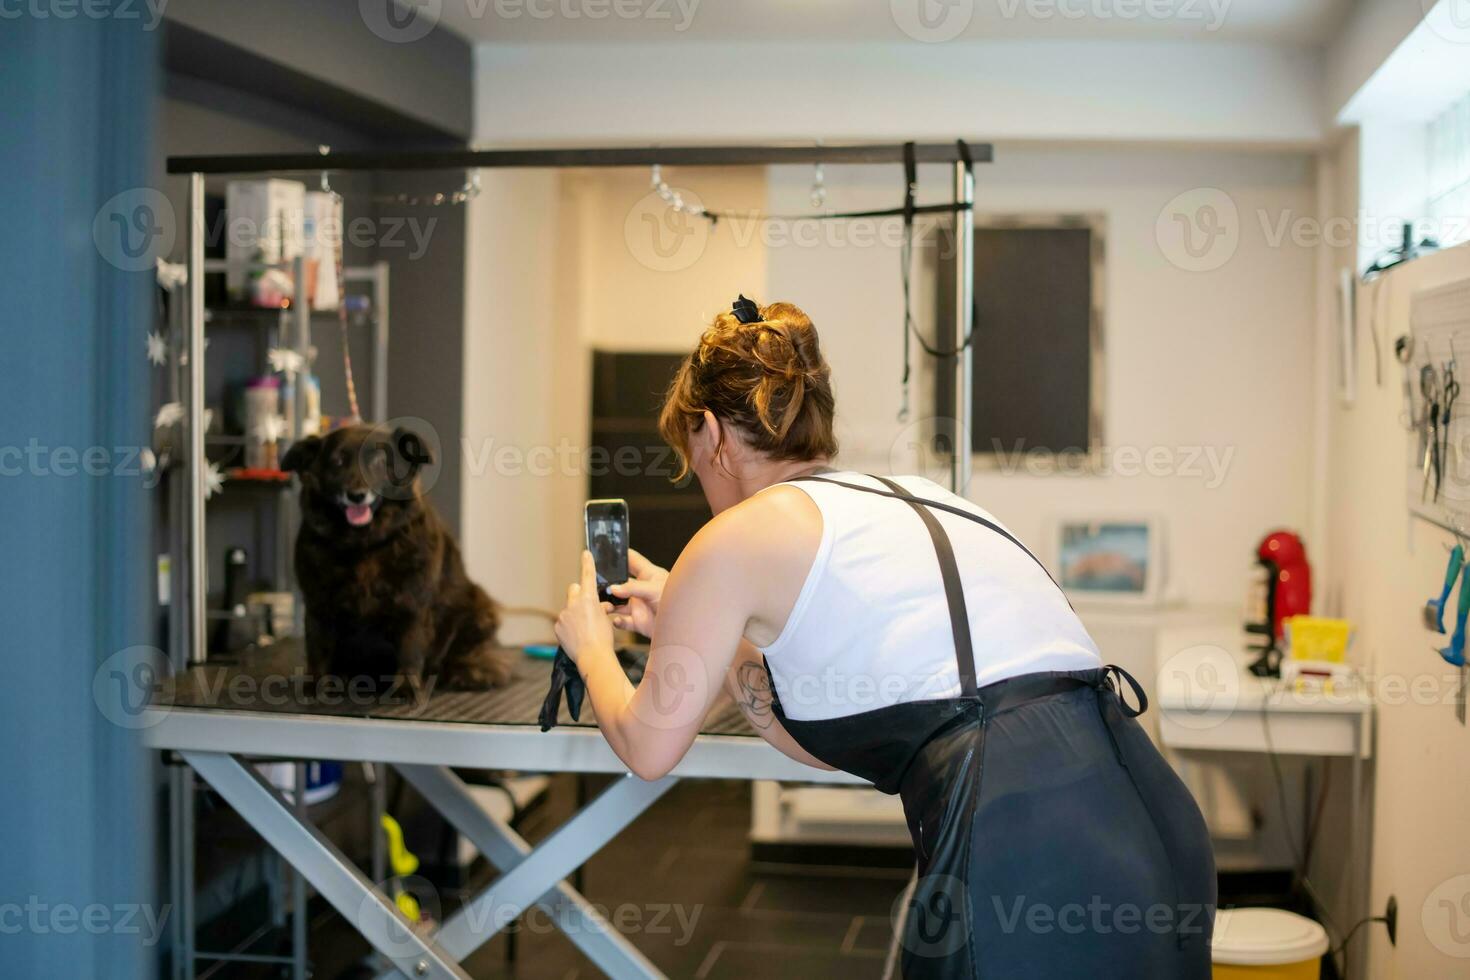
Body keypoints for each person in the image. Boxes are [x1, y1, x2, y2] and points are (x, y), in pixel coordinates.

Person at [554, 298, 1215, 978]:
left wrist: (591, 647)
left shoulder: (731, 537)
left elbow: (648, 745)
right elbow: (825, 734)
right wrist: (700, 634)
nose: (698, 481)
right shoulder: (912, 497)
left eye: (689, 457)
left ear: (714, 434)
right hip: (1148, 820)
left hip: (1022, 841)